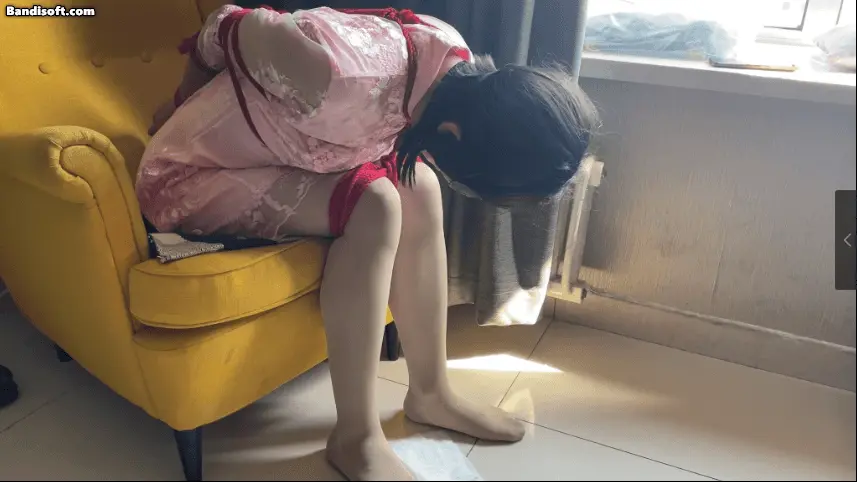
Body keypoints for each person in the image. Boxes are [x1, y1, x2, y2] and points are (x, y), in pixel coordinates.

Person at [139, 4, 597, 480]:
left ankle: (431, 393)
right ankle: (355, 437)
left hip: (286, 154)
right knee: (374, 206)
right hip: (191, 175)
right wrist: (179, 103)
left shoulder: (451, 61)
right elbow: (226, 22)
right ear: (453, 133)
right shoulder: (330, 75)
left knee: (420, 186)